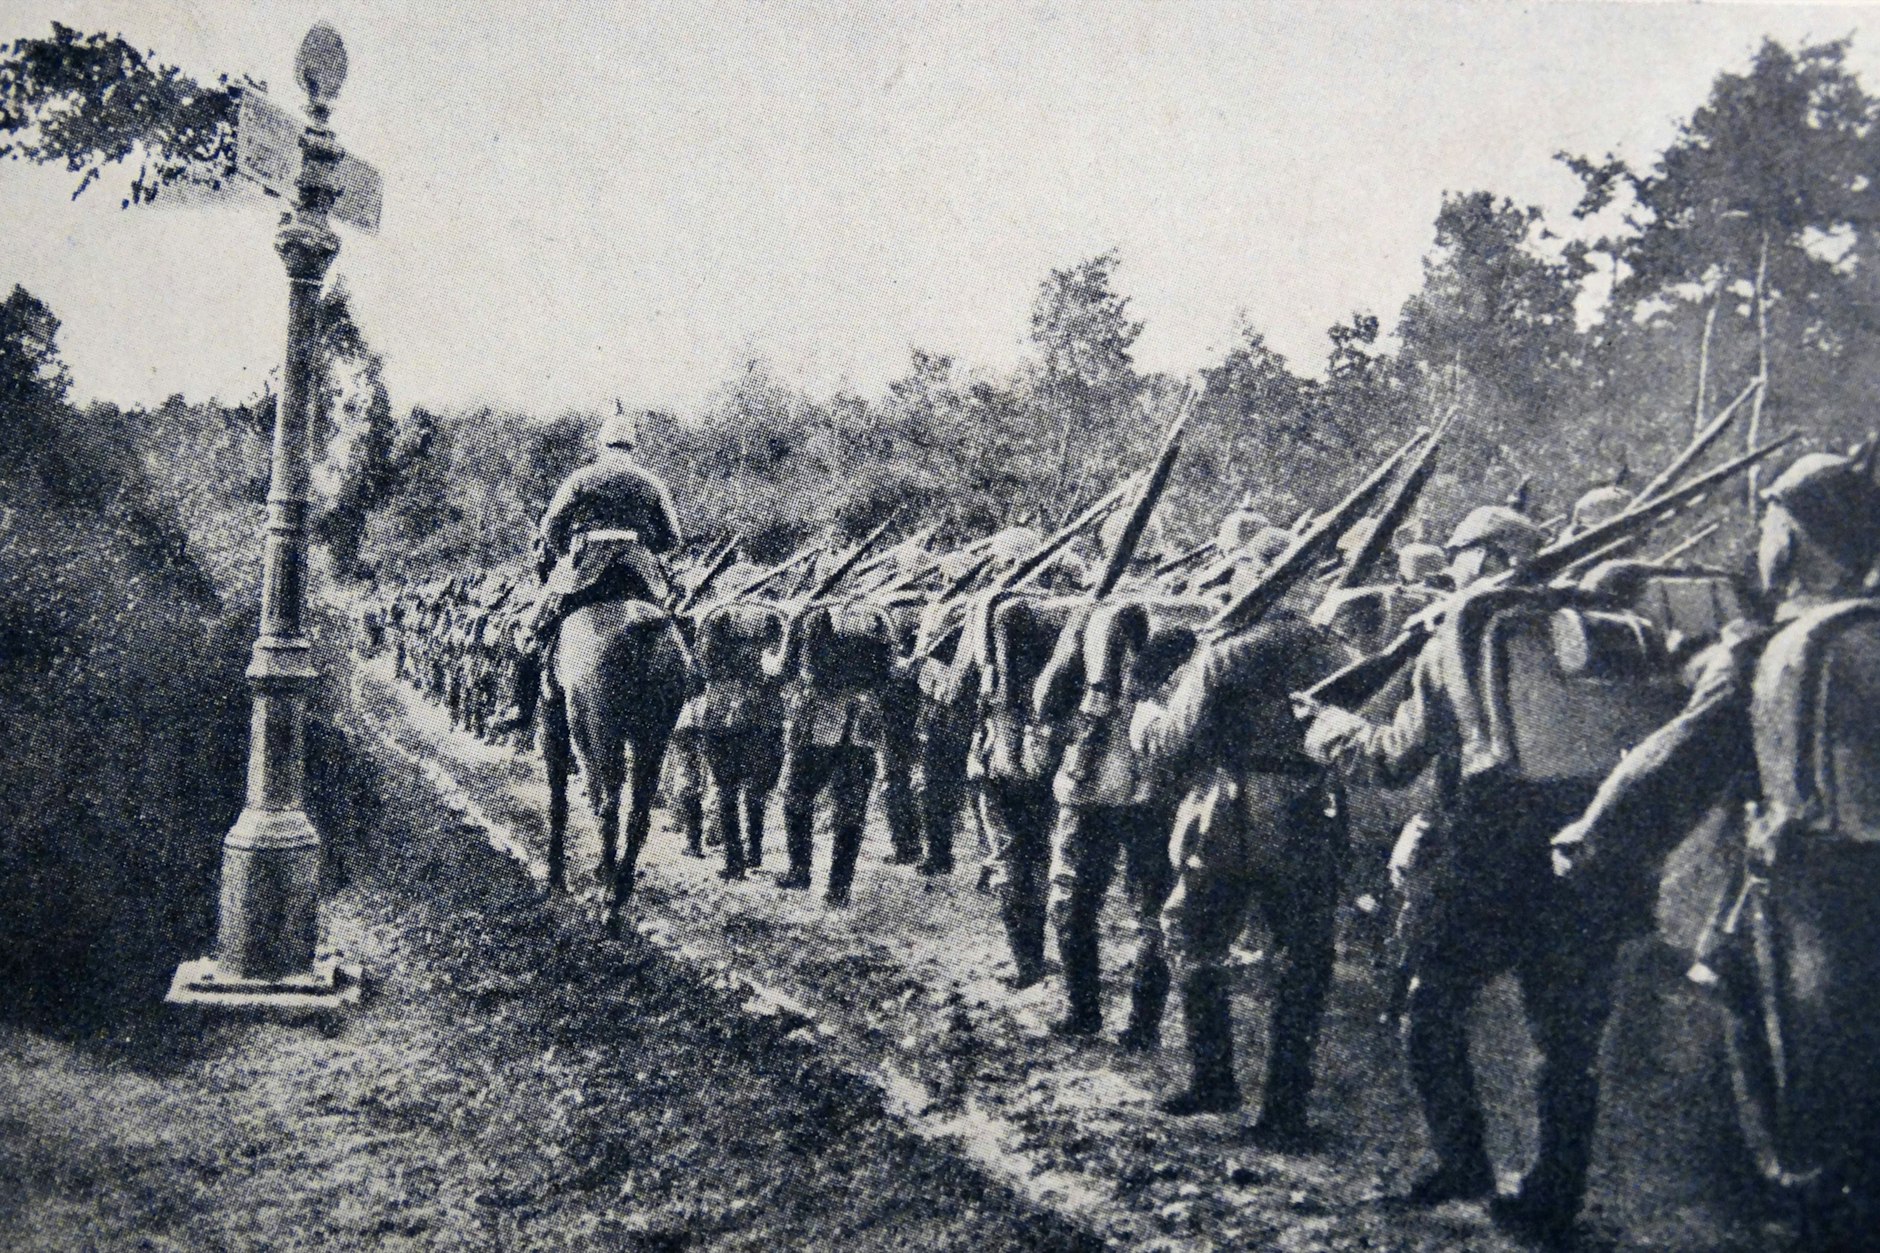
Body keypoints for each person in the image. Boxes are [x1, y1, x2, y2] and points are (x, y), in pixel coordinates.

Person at [1552, 449, 1880, 1243]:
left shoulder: (1772, 649)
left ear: (1796, 537)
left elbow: (1679, 758)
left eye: (1770, 518)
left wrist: (1593, 833)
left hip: (1812, 900)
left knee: (1804, 1090)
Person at [1303, 502, 1627, 1237]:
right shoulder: (1599, 622)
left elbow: (1391, 758)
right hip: (1585, 839)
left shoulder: (1464, 632)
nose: (1453, 566)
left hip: (1488, 846)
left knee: (1427, 1007)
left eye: (1462, 553)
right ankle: (1553, 1193)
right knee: (1567, 1039)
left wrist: (1329, 729)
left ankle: (1463, 1159)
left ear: (1487, 557)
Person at [1129, 580, 1347, 1142]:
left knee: (1193, 936)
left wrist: (1147, 709)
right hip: (1314, 810)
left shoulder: (1225, 654)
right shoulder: (1337, 649)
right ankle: (1285, 1106)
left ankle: (1214, 1077)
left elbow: (1171, 745)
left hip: (1232, 813)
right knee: (1303, 959)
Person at [496, 410, 682, 733]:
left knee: (529, 629)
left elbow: (550, 526)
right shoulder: (652, 482)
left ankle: (520, 706)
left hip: (586, 566)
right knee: (680, 621)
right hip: (640, 570)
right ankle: (691, 686)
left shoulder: (581, 479)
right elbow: (673, 537)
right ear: (632, 446)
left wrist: (565, 554)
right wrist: (645, 546)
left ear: (602, 445)